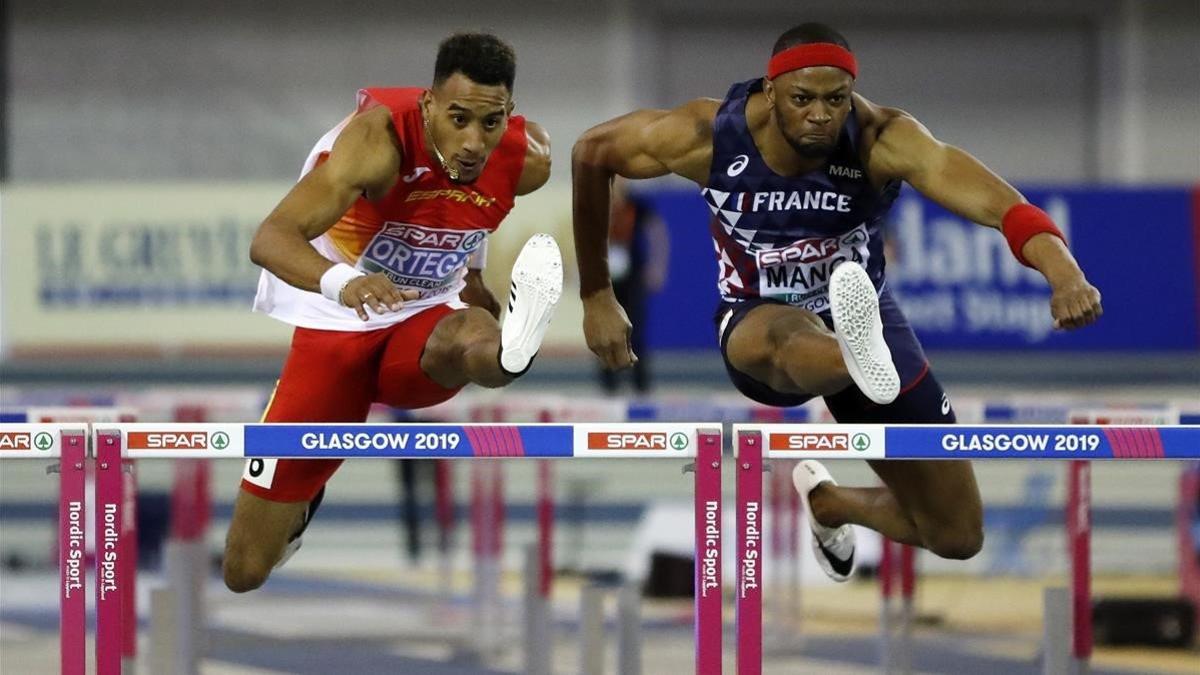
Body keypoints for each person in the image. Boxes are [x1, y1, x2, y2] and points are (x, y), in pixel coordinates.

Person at [572, 23, 1101, 580]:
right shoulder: (709, 134)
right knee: (789, 336)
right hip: (759, 317)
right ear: (770, 92)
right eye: (802, 99)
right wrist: (596, 293)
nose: (821, 115)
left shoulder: (881, 138)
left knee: (958, 535)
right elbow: (592, 153)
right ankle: (854, 353)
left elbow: (1001, 205)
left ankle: (832, 502)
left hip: (870, 319)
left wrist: (1064, 273)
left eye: (835, 99)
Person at [223, 32, 562, 593]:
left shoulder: (529, 159)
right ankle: (302, 505)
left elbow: (470, 202)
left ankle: (509, 352)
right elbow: (271, 238)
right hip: (334, 329)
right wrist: (344, 282)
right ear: (429, 106)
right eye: (458, 119)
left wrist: (474, 274)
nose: (475, 142)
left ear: (510, 114)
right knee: (244, 570)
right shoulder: (376, 143)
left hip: (421, 321)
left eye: (492, 122)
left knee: (472, 335)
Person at [597, 178, 669, 394]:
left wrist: (658, 266)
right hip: (605, 277)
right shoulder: (597, 203)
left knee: (634, 328)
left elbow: (658, 232)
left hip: (633, 276)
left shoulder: (637, 205)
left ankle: (640, 383)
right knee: (605, 329)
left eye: (621, 183)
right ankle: (609, 383)